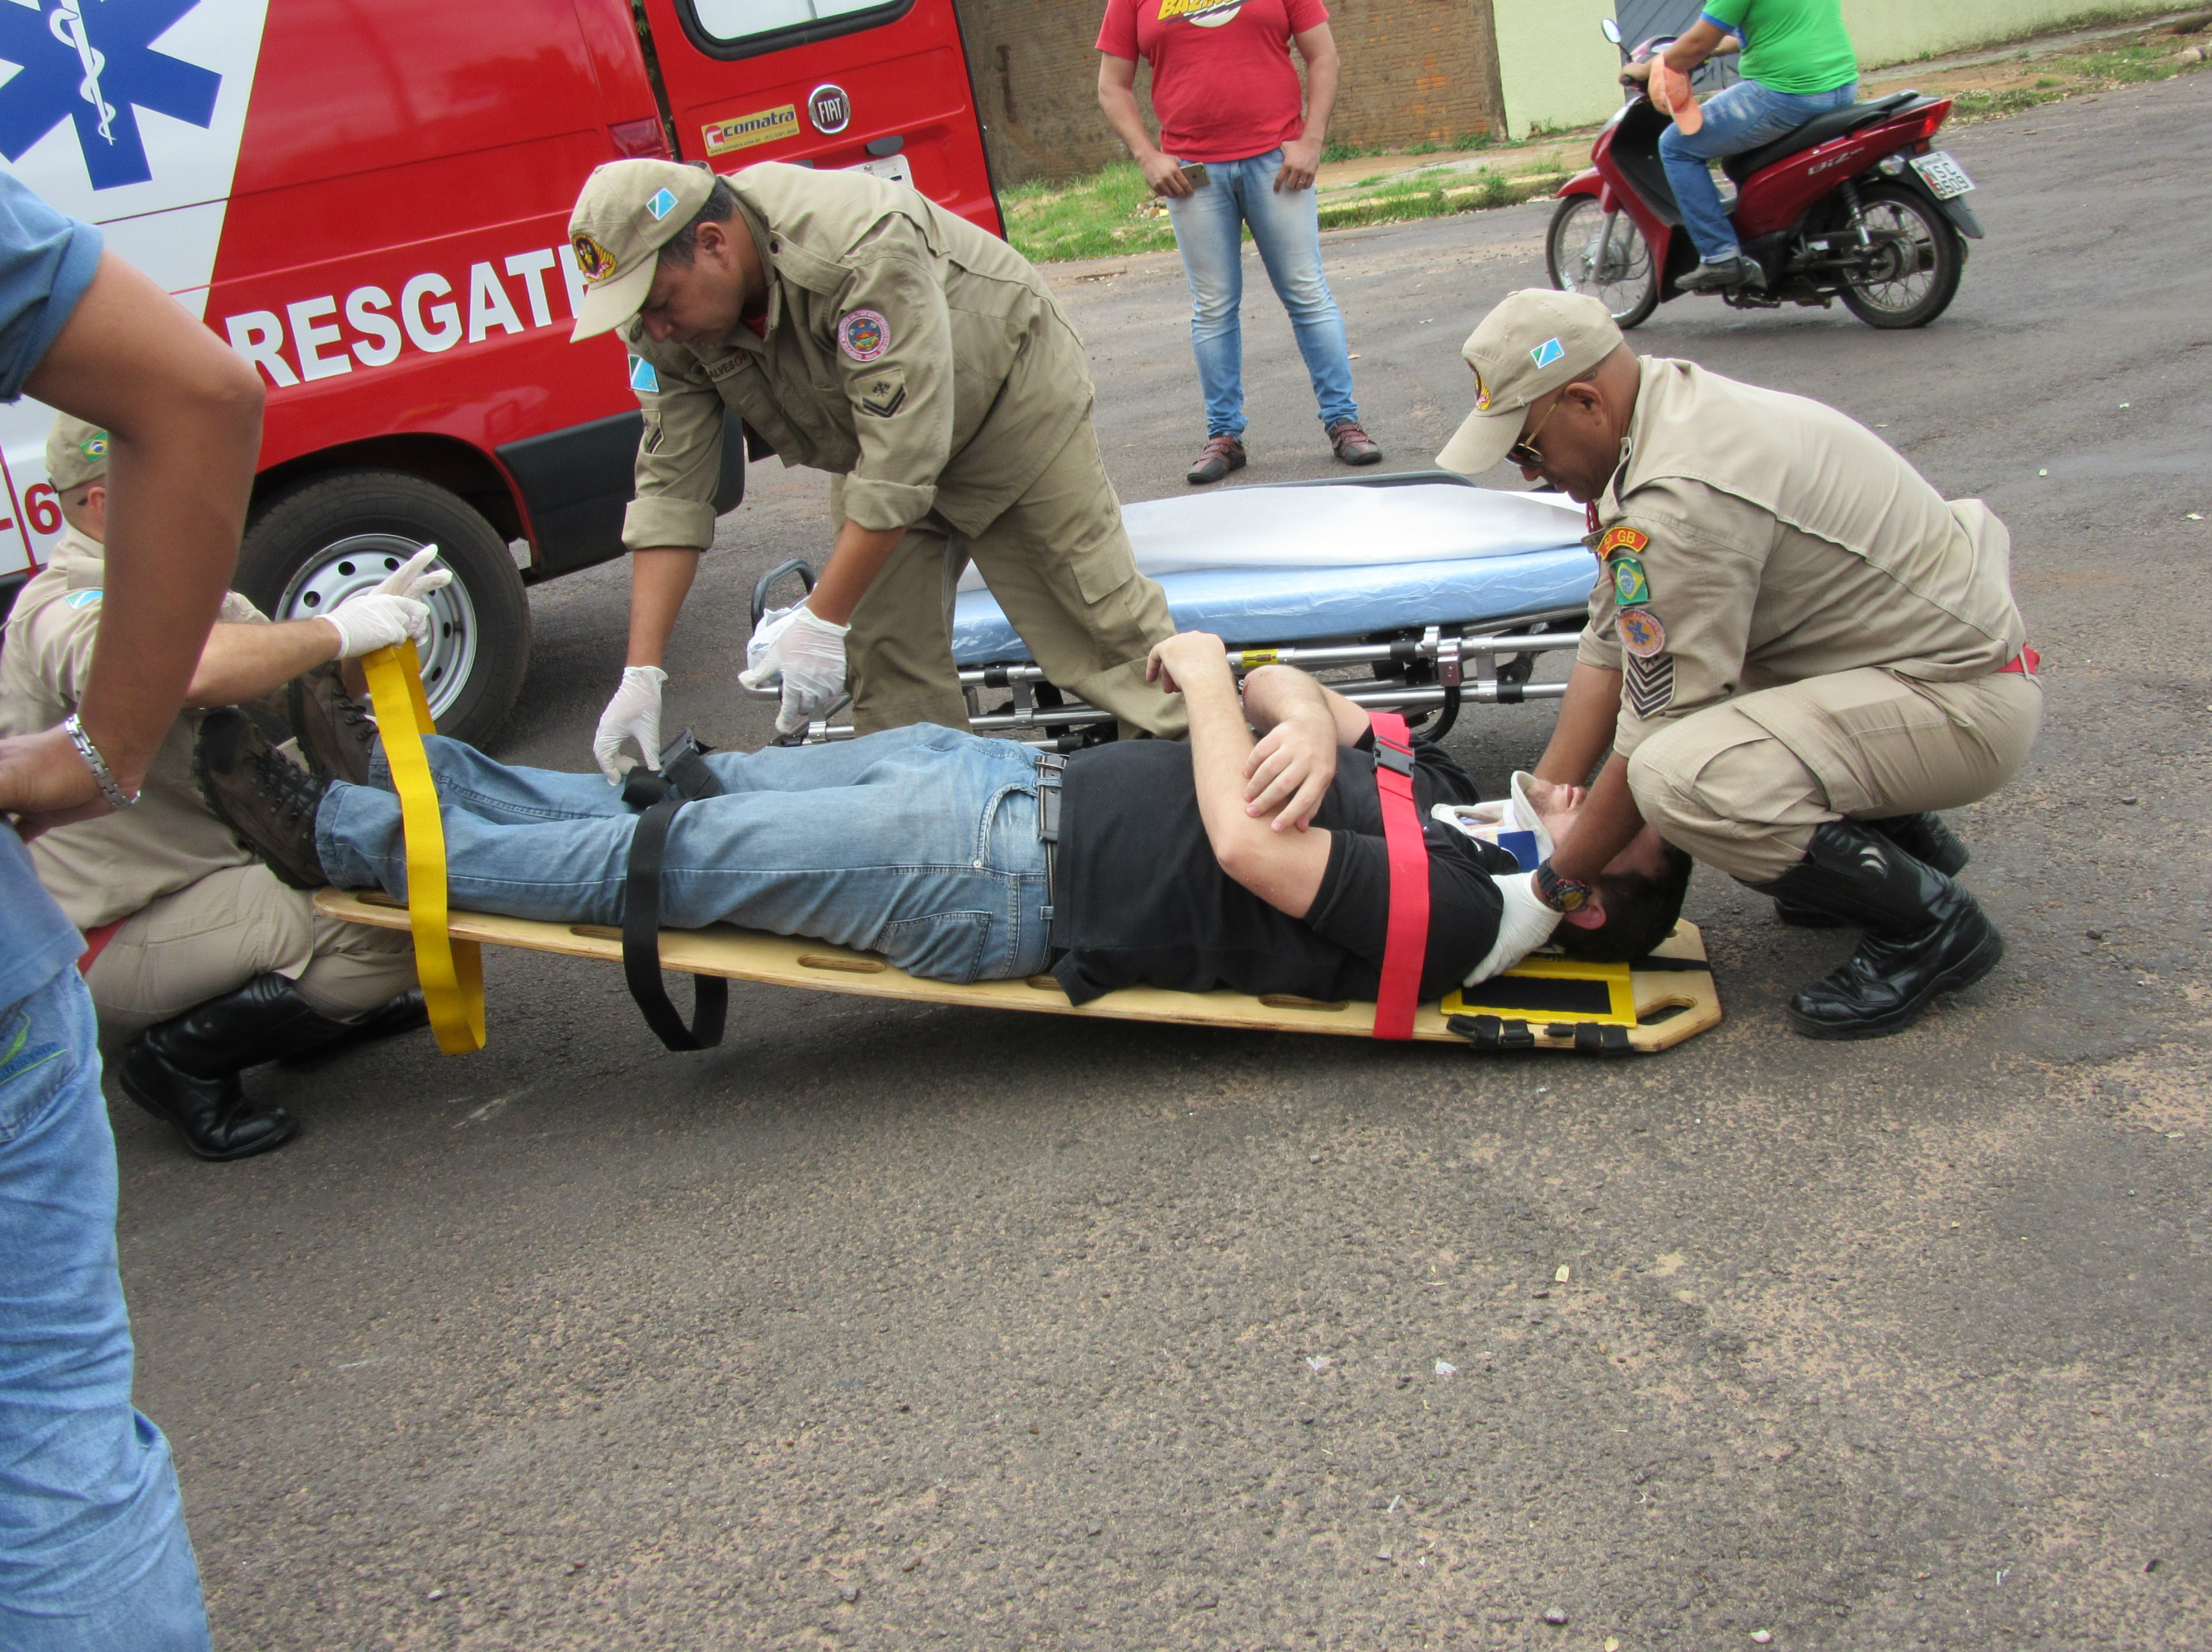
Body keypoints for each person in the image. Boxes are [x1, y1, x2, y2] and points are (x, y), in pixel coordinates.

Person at [195, 633, 1694, 1011]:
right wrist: (1290, 707)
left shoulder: (1468, 919)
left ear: (1595, 898)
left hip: (997, 881)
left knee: (670, 859)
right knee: (674, 799)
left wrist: (1197, 680)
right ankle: (418, 795)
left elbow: (1244, 849)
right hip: (994, 792)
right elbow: (1309, 694)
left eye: (1613, 819)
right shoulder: (1465, 819)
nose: (1586, 786)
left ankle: (332, 837)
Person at [1437, 289, 2041, 1039]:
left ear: (1585, 402)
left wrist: (1552, 888)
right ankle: (1900, 842)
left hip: (1955, 700)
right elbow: (1612, 641)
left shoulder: (1679, 500)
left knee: (1678, 773)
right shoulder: (1661, 415)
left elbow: (1651, 728)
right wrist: (1544, 796)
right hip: (1902, 665)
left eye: (1527, 448)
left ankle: (1931, 925)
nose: (1527, 473)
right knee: (1697, 690)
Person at [0, 172, 265, 1647]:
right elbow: (206, 396)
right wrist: (106, 749)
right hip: (109, 935)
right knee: (46, 1429)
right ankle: (187, 1045)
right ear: (84, 493)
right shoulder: (66, 599)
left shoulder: (127, 567)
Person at [567, 159, 1182, 774]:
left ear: (713, 244)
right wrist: (641, 673)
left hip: (1005, 405)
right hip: (875, 437)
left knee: (1100, 627)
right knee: (883, 659)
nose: (654, 326)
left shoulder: (855, 246)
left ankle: (1202, 793)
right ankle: (941, 826)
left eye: (660, 302)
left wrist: (819, 618)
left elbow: (903, 457)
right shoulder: (664, 327)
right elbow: (671, 486)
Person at [0, 415, 431, 1162]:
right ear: (104, 501)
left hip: (206, 882)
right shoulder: (61, 607)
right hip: (113, 929)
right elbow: (183, 671)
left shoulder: (172, 584)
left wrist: (373, 634)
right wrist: (335, 631)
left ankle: (311, 1021)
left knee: (403, 882)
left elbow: (287, 680)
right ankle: (174, 1063)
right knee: (400, 921)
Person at [1096, 0, 1383, 486]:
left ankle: (1344, 422)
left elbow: (1323, 57)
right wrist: (1149, 154)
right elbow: (1112, 85)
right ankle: (1224, 436)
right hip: (1192, 172)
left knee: (1307, 295)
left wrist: (1311, 139)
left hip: (1275, 163)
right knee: (1213, 307)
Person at [1619, 0, 1859, 295]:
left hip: (1787, 95)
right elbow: (1757, 34)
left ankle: (1720, 257)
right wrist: (1709, 48)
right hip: (1840, 89)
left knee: (1675, 145)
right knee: (1735, 157)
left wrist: (1648, 67)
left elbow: (1694, 46)